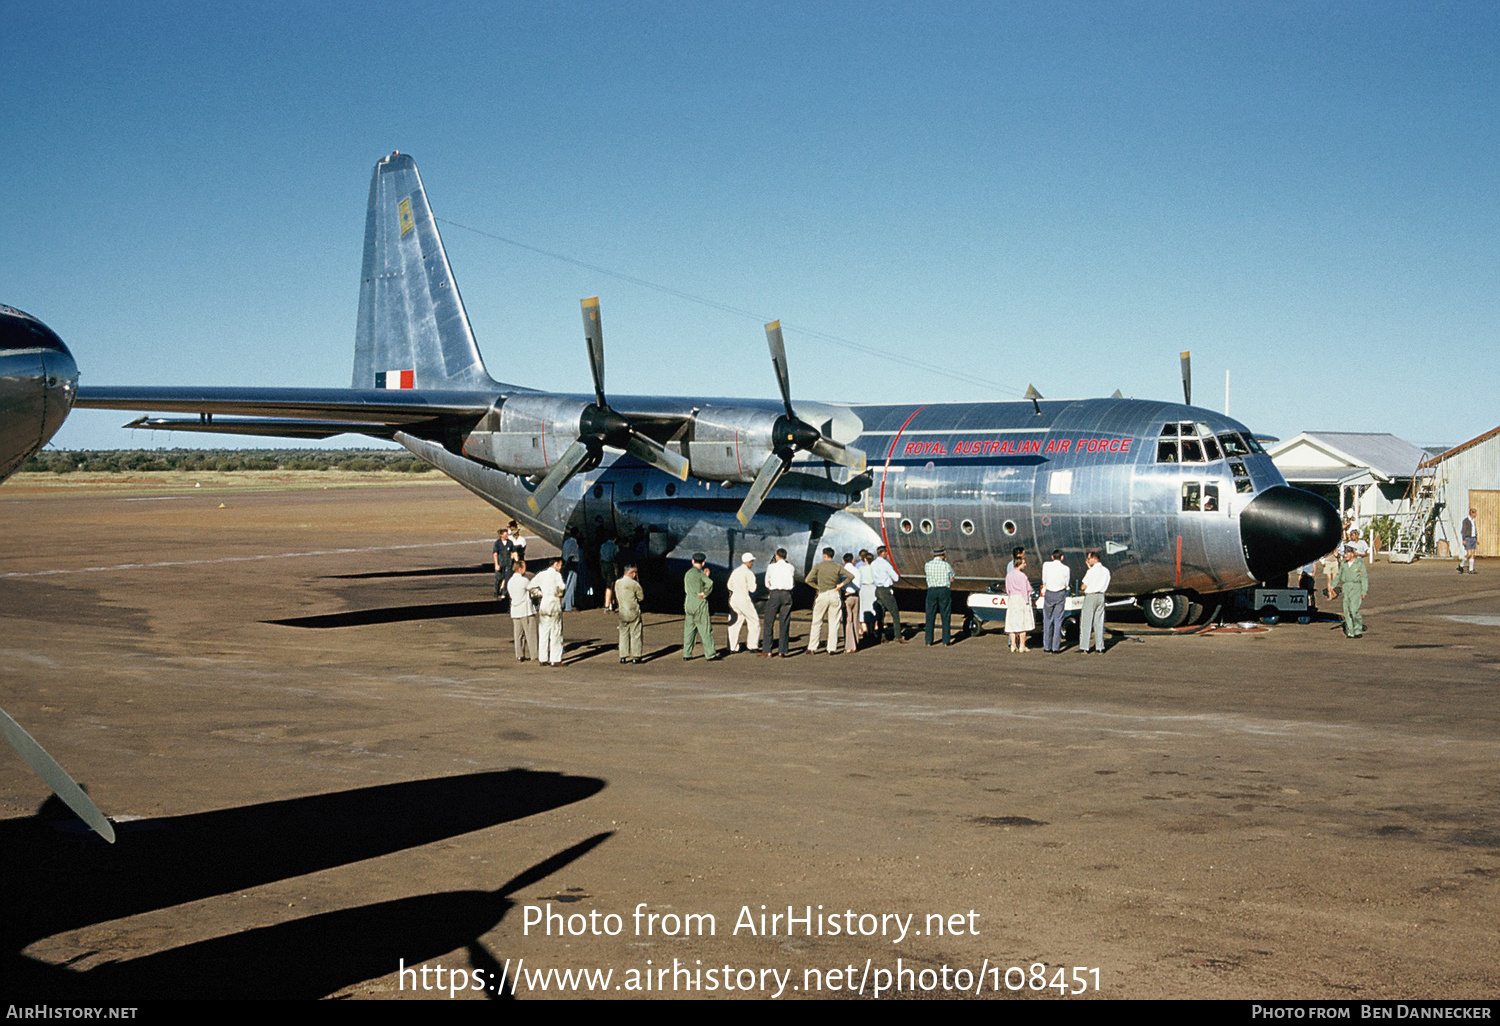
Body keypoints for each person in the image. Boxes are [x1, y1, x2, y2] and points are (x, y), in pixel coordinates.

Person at [805, 547, 852, 655]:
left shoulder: (819, 566)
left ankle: (812, 647)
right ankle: (831, 648)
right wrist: (841, 584)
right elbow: (850, 576)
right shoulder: (837, 566)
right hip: (834, 593)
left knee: (817, 621)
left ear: (824, 555)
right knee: (834, 622)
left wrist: (817, 587)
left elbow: (808, 580)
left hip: (822, 594)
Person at [531, 555, 568, 667]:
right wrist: (559, 594)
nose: (560, 567)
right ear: (556, 563)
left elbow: (531, 586)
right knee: (556, 632)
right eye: (560, 565)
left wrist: (539, 594)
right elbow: (562, 587)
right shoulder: (556, 575)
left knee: (543, 632)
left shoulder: (541, 574)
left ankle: (543, 658)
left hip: (544, 603)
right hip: (554, 603)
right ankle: (555, 659)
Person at [682, 553, 718, 660]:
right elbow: (710, 583)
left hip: (689, 603)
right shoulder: (699, 573)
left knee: (689, 630)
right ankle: (710, 654)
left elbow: (690, 587)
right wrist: (705, 593)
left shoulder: (688, 573)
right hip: (699, 604)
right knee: (705, 629)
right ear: (703, 563)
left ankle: (687, 653)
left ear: (692, 561)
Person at [762, 548, 795, 657]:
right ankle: (782, 650)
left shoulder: (771, 567)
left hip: (775, 593)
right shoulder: (791, 567)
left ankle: (767, 649)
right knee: (784, 622)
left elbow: (767, 582)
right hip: (787, 594)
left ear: (776, 555)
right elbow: (792, 581)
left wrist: (770, 587)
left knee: (769, 621)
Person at [506, 555, 538, 662]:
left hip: (515, 610)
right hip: (526, 610)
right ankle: (534, 654)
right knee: (530, 634)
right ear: (520, 569)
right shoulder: (524, 580)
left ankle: (519, 654)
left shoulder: (510, 582)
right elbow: (533, 592)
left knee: (518, 635)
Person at [727, 553, 761, 653]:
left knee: (735, 622)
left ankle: (732, 647)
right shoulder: (749, 573)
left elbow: (729, 585)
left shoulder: (735, 571)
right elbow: (752, 588)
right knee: (754, 620)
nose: (752, 563)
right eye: (752, 562)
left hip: (734, 598)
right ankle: (752, 645)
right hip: (744, 598)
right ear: (749, 562)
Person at [1078, 551, 1110, 653]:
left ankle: (1084, 647)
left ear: (1094, 559)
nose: (1087, 560)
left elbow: (1083, 586)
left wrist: (1089, 570)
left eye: (1088, 558)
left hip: (1091, 596)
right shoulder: (1105, 571)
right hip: (1101, 595)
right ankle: (1100, 647)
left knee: (1086, 622)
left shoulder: (1091, 572)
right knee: (1099, 622)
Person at [1333, 546, 1368, 638]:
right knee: (1346, 611)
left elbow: (1364, 578)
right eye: (1345, 553)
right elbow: (1338, 576)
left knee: (1354, 610)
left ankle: (1357, 630)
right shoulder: (1344, 564)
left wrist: (1364, 591)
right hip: (1346, 587)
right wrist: (1332, 586)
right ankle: (1350, 632)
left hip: (1356, 587)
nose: (1345, 555)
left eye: (1347, 553)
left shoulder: (1359, 564)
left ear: (1352, 554)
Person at [871, 546, 904, 642]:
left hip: (877, 589)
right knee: (895, 613)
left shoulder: (873, 563)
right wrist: (890, 579)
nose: (887, 554)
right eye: (886, 553)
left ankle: (881, 635)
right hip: (886, 590)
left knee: (880, 614)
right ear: (883, 553)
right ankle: (898, 635)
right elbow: (896, 577)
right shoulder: (886, 564)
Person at [924, 547, 956, 646]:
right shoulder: (946, 565)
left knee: (930, 615)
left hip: (932, 590)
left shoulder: (927, 565)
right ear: (943, 555)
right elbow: (952, 579)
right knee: (945, 615)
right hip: (943, 590)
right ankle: (946, 640)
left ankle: (929, 640)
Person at [1040, 549, 1070, 653]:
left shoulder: (1046, 565)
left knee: (1047, 619)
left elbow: (1044, 579)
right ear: (1062, 557)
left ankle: (1046, 646)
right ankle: (1055, 647)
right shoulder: (1066, 569)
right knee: (1058, 620)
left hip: (1049, 592)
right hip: (1060, 593)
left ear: (1052, 557)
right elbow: (1066, 583)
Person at [1004, 555, 1035, 653]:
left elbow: (1007, 589)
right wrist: (1027, 601)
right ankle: (1022, 645)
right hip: (1021, 599)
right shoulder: (1022, 576)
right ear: (1020, 564)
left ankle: (1013, 645)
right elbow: (1026, 589)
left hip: (1012, 599)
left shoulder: (1009, 575)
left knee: (1012, 622)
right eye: (1024, 563)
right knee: (1023, 623)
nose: (1025, 565)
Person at [615, 564, 645, 663]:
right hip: (633, 611)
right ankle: (636, 656)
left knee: (623, 633)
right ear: (631, 573)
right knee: (635, 633)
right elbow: (641, 597)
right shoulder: (634, 584)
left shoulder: (618, 583)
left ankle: (623, 656)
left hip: (622, 611)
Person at [841, 552, 862, 653]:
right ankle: (856, 643)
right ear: (853, 560)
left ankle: (849, 646)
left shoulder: (843, 571)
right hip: (856, 595)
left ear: (843, 561)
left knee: (848, 620)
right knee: (855, 620)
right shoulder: (857, 570)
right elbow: (860, 584)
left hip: (847, 596)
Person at [561, 527, 580, 611]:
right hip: (572, 563)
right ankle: (569, 605)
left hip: (566, 563)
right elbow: (572, 555)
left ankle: (564, 602)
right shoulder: (574, 542)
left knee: (567, 583)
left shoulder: (566, 541)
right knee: (571, 584)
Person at [493, 527, 515, 602]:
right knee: (498, 578)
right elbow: (495, 554)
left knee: (507, 579)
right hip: (500, 563)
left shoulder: (510, 543)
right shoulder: (497, 543)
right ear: (501, 535)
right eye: (505, 535)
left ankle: (504, 593)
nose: (507, 536)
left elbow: (513, 552)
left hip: (508, 563)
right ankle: (496, 591)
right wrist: (496, 564)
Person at [599, 533, 620, 610]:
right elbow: (615, 557)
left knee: (607, 584)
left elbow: (600, 555)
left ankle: (610, 602)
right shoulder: (614, 546)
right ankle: (609, 603)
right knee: (611, 584)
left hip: (603, 564)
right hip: (610, 564)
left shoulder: (603, 545)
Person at [1461, 508, 1478, 574]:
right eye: (1474, 513)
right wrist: (1464, 539)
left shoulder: (1473, 521)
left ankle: (1471, 569)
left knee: (1472, 554)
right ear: (1471, 513)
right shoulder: (1466, 521)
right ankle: (1461, 564)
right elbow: (1463, 531)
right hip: (1468, 538)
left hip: (1473, 538)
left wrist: (1477, 538)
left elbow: (1474, 530)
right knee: (1469, 554)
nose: (1476, 514)